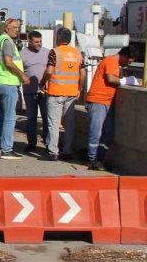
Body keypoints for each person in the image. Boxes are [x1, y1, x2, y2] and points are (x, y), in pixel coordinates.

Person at [85, 46, 139, 170]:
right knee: (96, 132)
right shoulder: (110, 61)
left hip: (106, 101)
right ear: (125, 56)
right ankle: (92, 159)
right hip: (98, 100)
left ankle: (99, 159)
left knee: (108, 133)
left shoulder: (115, 64)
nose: (128, 64)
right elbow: (110, 79)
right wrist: (126, 81)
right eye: (129, 61)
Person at [40, 28, 86, 161]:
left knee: (53, 124)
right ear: (70, 39)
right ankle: (67, 151)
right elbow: (82, 74)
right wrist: (79, 88)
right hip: (71, 94)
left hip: (55, 93)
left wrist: (42, 84)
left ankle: (53, 152)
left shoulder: (55, 52)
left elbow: (49, 71)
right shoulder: (77, 53)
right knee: (69, 125)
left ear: (58, 38)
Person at [0, 18, 29, 160]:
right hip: (8, 83)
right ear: (7, 28)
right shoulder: (7, 42)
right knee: (10, 118)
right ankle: (6, 150)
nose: (17, 30)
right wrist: (22, 76)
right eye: (14, 27)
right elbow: (9, 63)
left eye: (18, 27)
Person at [19, 30, 50, 154]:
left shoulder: (47, 53)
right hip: (29, 92)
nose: (39, 44)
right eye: (36, 42)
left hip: (44, 91)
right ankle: (32, 144)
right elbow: (18, 71)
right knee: (31, 118)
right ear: (29, 42)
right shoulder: (22, 54)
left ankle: (48, 144)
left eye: (40, 41)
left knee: (47, 118)